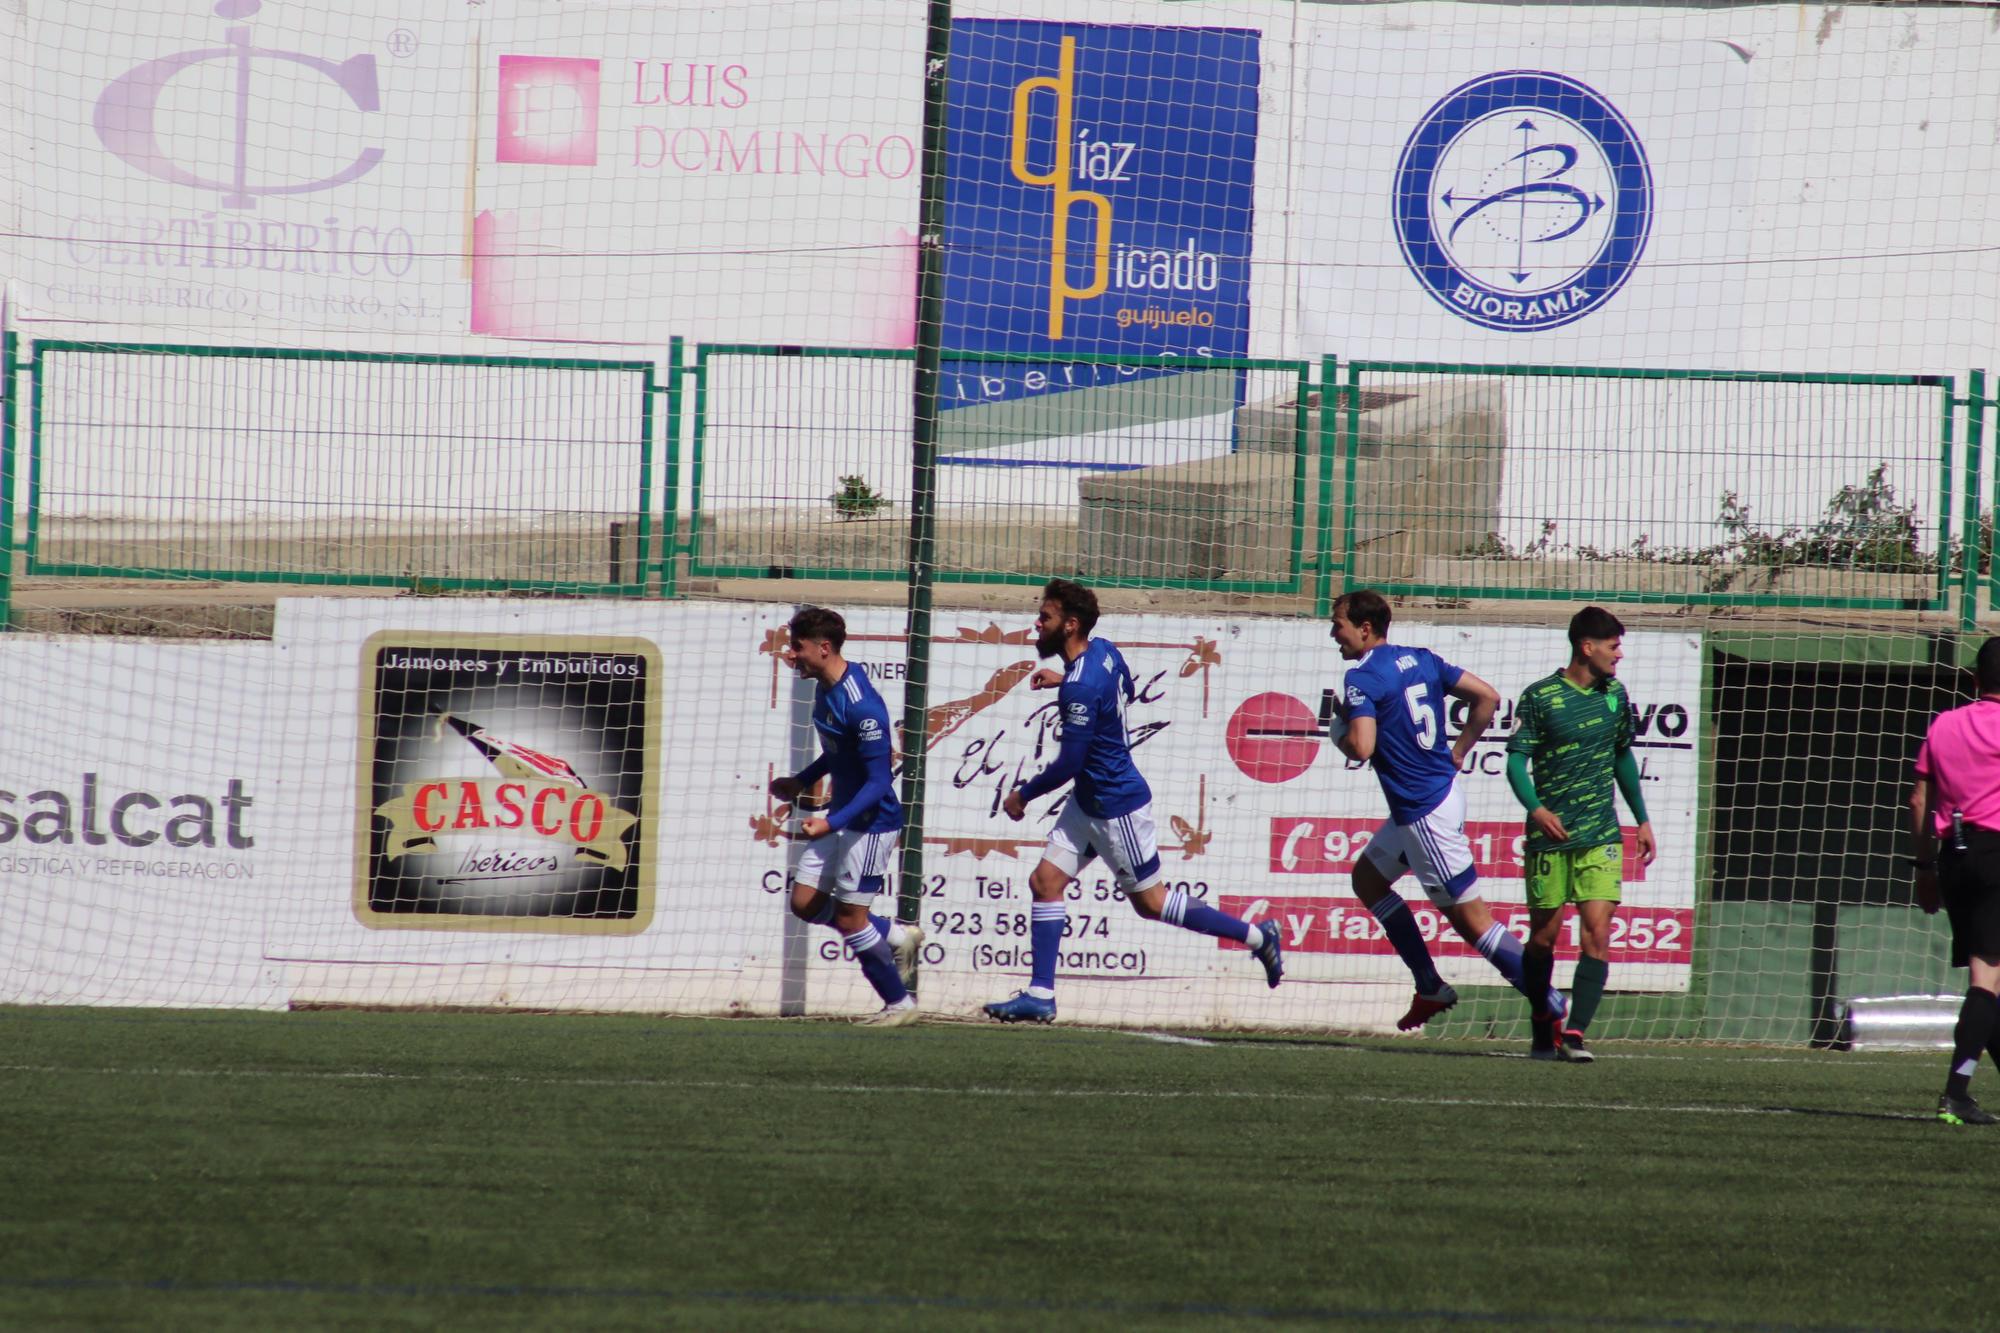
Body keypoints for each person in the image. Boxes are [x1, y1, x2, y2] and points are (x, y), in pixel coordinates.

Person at [984, 579, 1284, 1023]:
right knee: (1045, 882)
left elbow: (1069, 762)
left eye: (1044, 617)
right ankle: (1040, 995)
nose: (1036, 622)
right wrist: (1066, 678)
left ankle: (1259, 936)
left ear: (1069, 626)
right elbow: (1112, 689)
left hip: (1114, 807)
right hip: (1088, 803)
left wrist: (1022, 795)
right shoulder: (1103, 650)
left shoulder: (1080, 688)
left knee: (1153, 904)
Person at [1329, 590, 1566, 1032]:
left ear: (1364, 629)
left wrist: (1338, 732)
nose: (1333, 633)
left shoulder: (1362, 678)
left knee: (1474, 923)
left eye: (1337, 624)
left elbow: (1361, 747)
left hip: (1423, 813)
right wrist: (1459, 751)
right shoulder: (1420, 657)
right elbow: (1488, 698)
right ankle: (1429, 985)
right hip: (1437, 795)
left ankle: (1550, 1000)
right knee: (1367, 878)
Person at [1506, 606, 1658, 1063]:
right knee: (1544, 939)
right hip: (1551, 839)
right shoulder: (1541, 697)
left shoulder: (1615, 696)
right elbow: (1516, 762)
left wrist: (1642, 819)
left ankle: (1574, 1035)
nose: (1620, 655)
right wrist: (1536, 808)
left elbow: (1622, 758)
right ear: (1586, 647)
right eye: (1614, 646)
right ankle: (1540, 1019)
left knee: (1597, 933)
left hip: (1601, 835)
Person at [767, 606, 926, 1026]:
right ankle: (895, 936)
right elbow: (838, 750)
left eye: (797, 648)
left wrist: (830, 822)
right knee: (804, 903)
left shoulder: (863, 706)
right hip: (841, 818)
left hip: (871, 824)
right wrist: (802, 780)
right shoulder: (826, 687)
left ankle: (899, 1005)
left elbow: (878, 782)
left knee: (849, 917)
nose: (792, 655)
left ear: (823, 648)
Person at [1908, 635, 2000, 1125]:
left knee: (1991, 980)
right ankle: (1956, 1092)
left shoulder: (1943, 724)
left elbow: (1918, 801)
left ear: (1974, 680)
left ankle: (1960, 1091)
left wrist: (1924, 870)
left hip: (1954, 857)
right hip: (1997, 855)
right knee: (1987, 980)